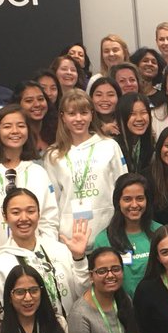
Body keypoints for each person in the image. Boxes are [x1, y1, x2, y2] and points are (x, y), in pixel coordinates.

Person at [0, 105, 60, 259]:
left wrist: (42, 253)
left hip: (36, 258)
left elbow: (49, 219)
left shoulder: (38, 172)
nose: (15, 131)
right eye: (7, 126)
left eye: (21, 126)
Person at [43, 89, 125, 236]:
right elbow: (52, 201)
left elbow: (123, 188)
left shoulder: (109, 146)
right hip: (69, 235)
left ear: (92, 115)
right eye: (72, 114)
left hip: (107, 233)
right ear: (63, 117)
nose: (78, 119)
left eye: (84, 113)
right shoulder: (53, 155)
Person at [92, 173, 156, 298]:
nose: (134, 205)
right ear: (118, 202)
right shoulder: (103, 240)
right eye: (127, 199)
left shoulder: (160, 232)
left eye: (140, 198)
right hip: (120, 309)